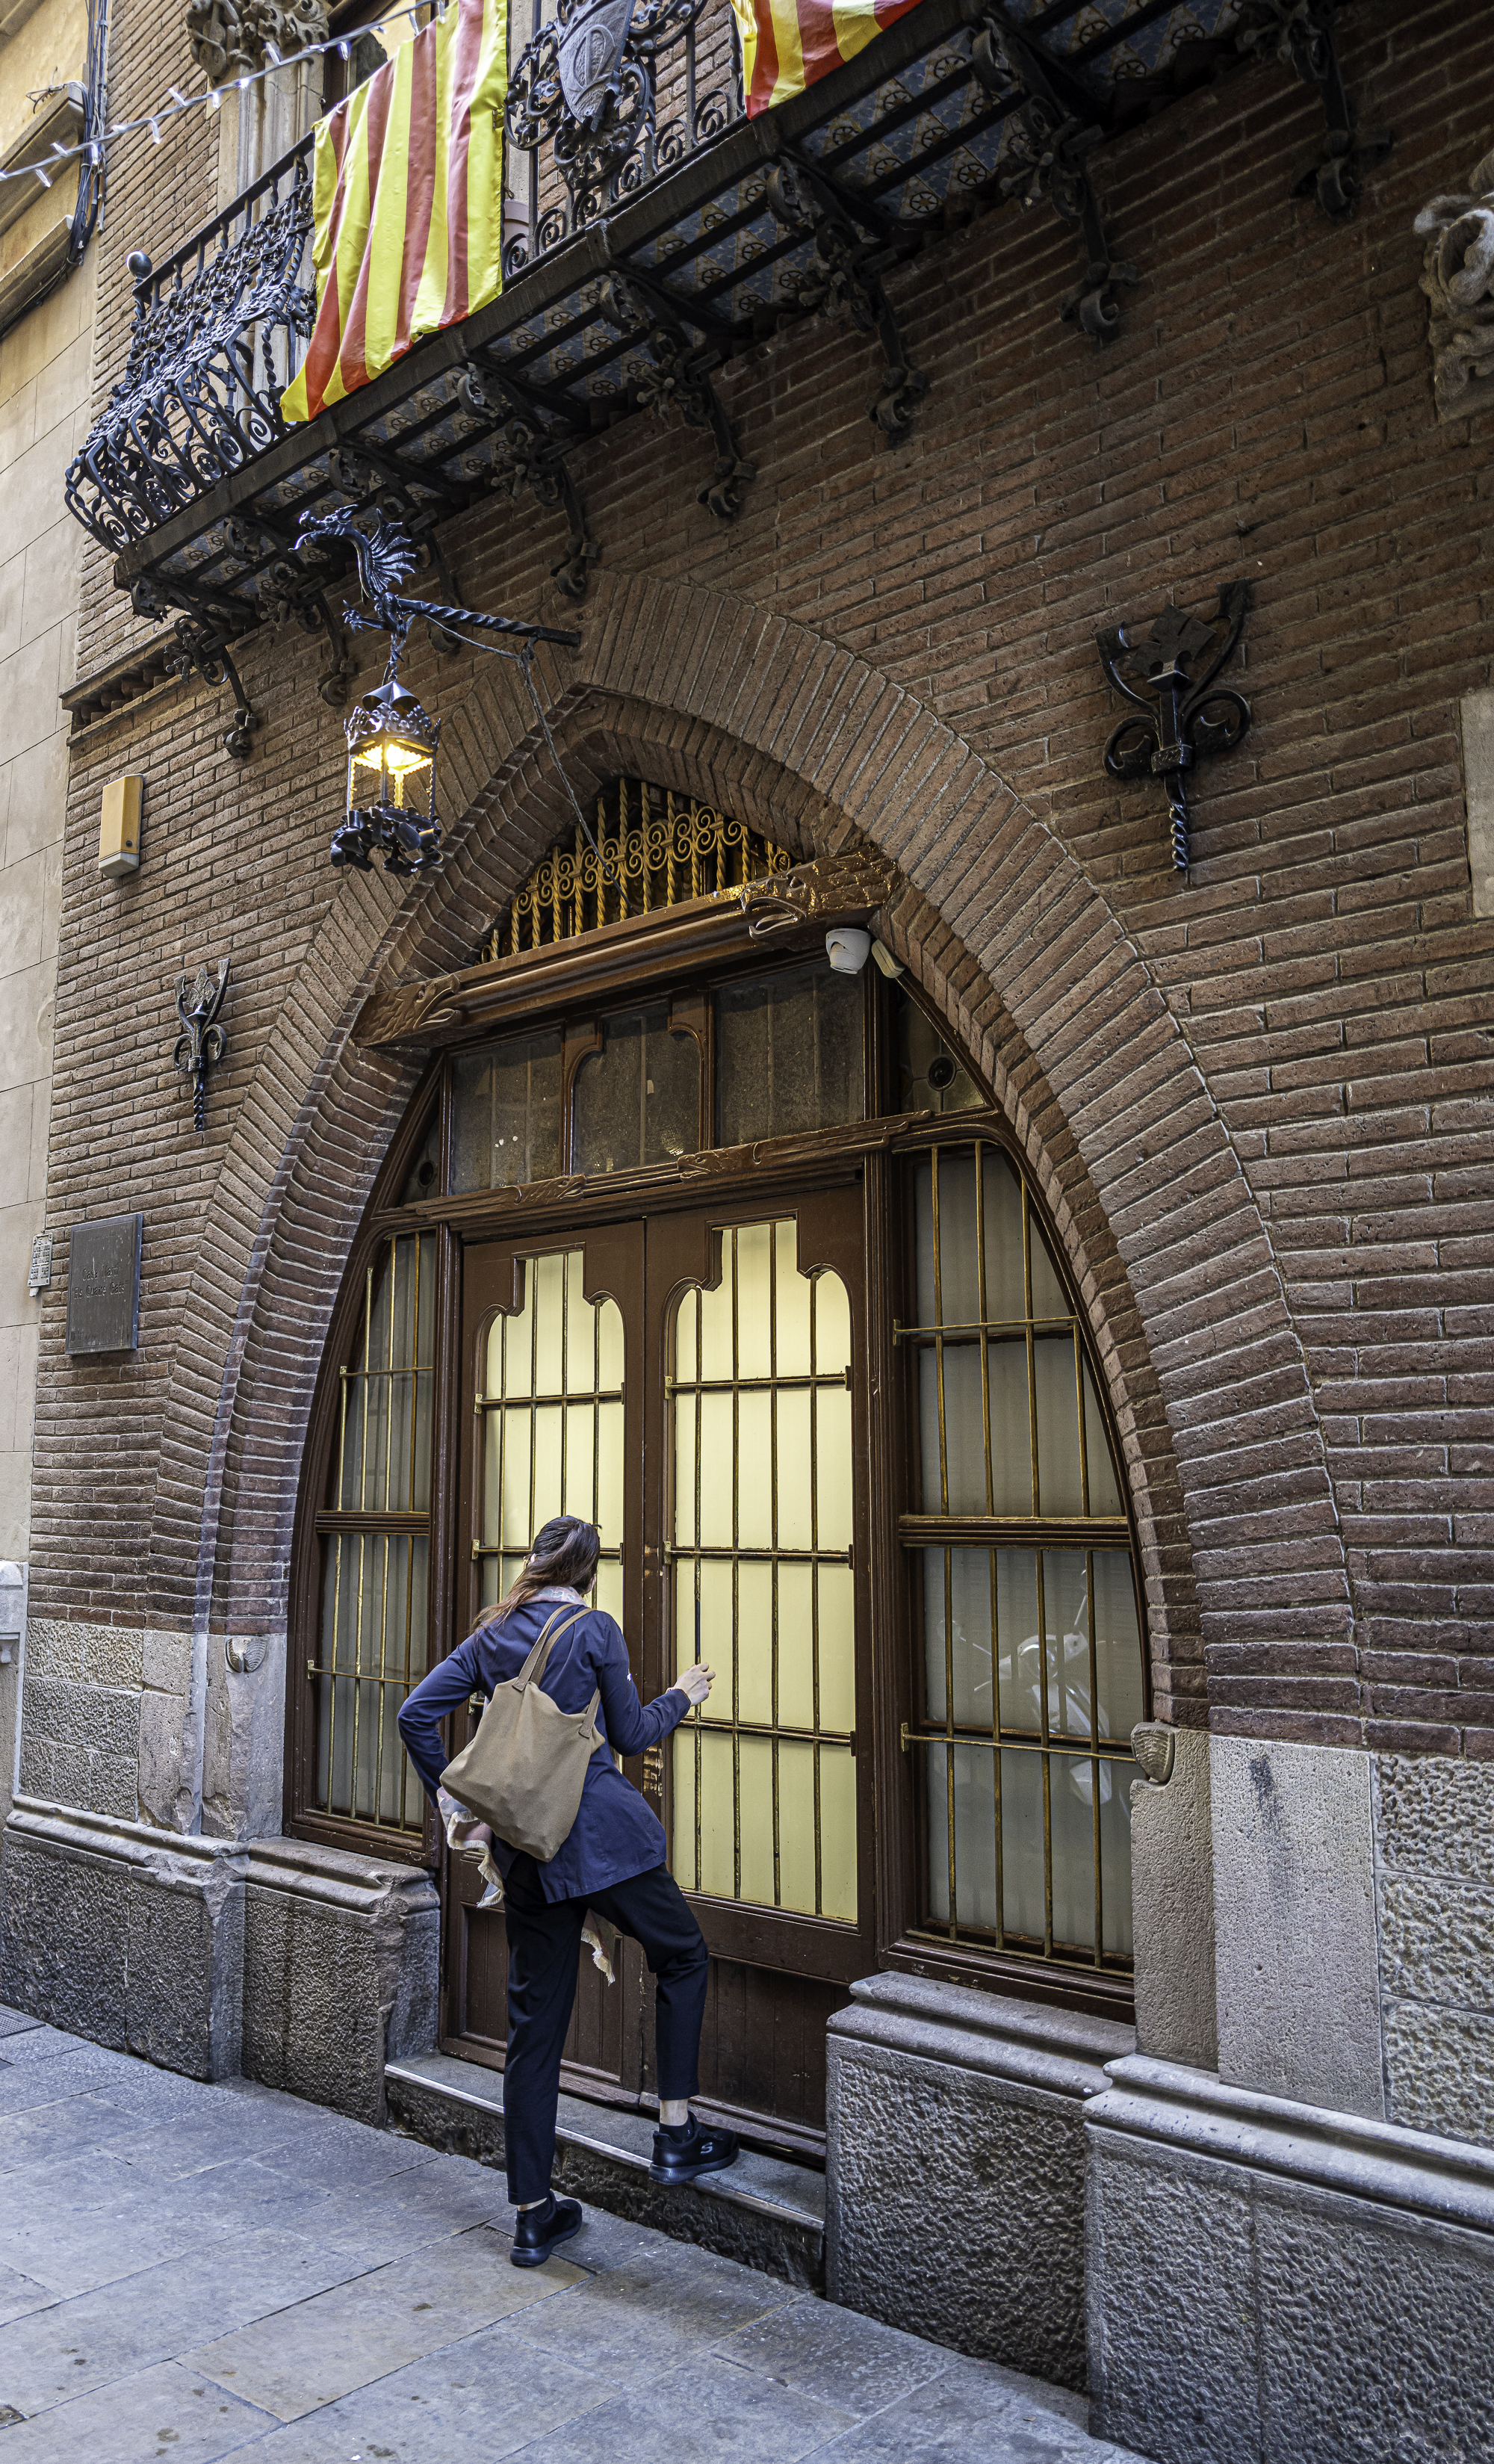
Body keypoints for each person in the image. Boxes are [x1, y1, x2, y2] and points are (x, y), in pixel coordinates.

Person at [397, 1513, 738, 2266]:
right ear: (589, 1572)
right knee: (681, 1954)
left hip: (526, 1853)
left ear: (537, 1563)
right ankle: (676, 2132)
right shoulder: (595, 1631)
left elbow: (414, 1713)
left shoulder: (495, 1630)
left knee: (534, 2032)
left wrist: (454, 1803)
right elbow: (633, 1733)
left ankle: (530, 2212)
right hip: (605, 1842)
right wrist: (682, 1693)